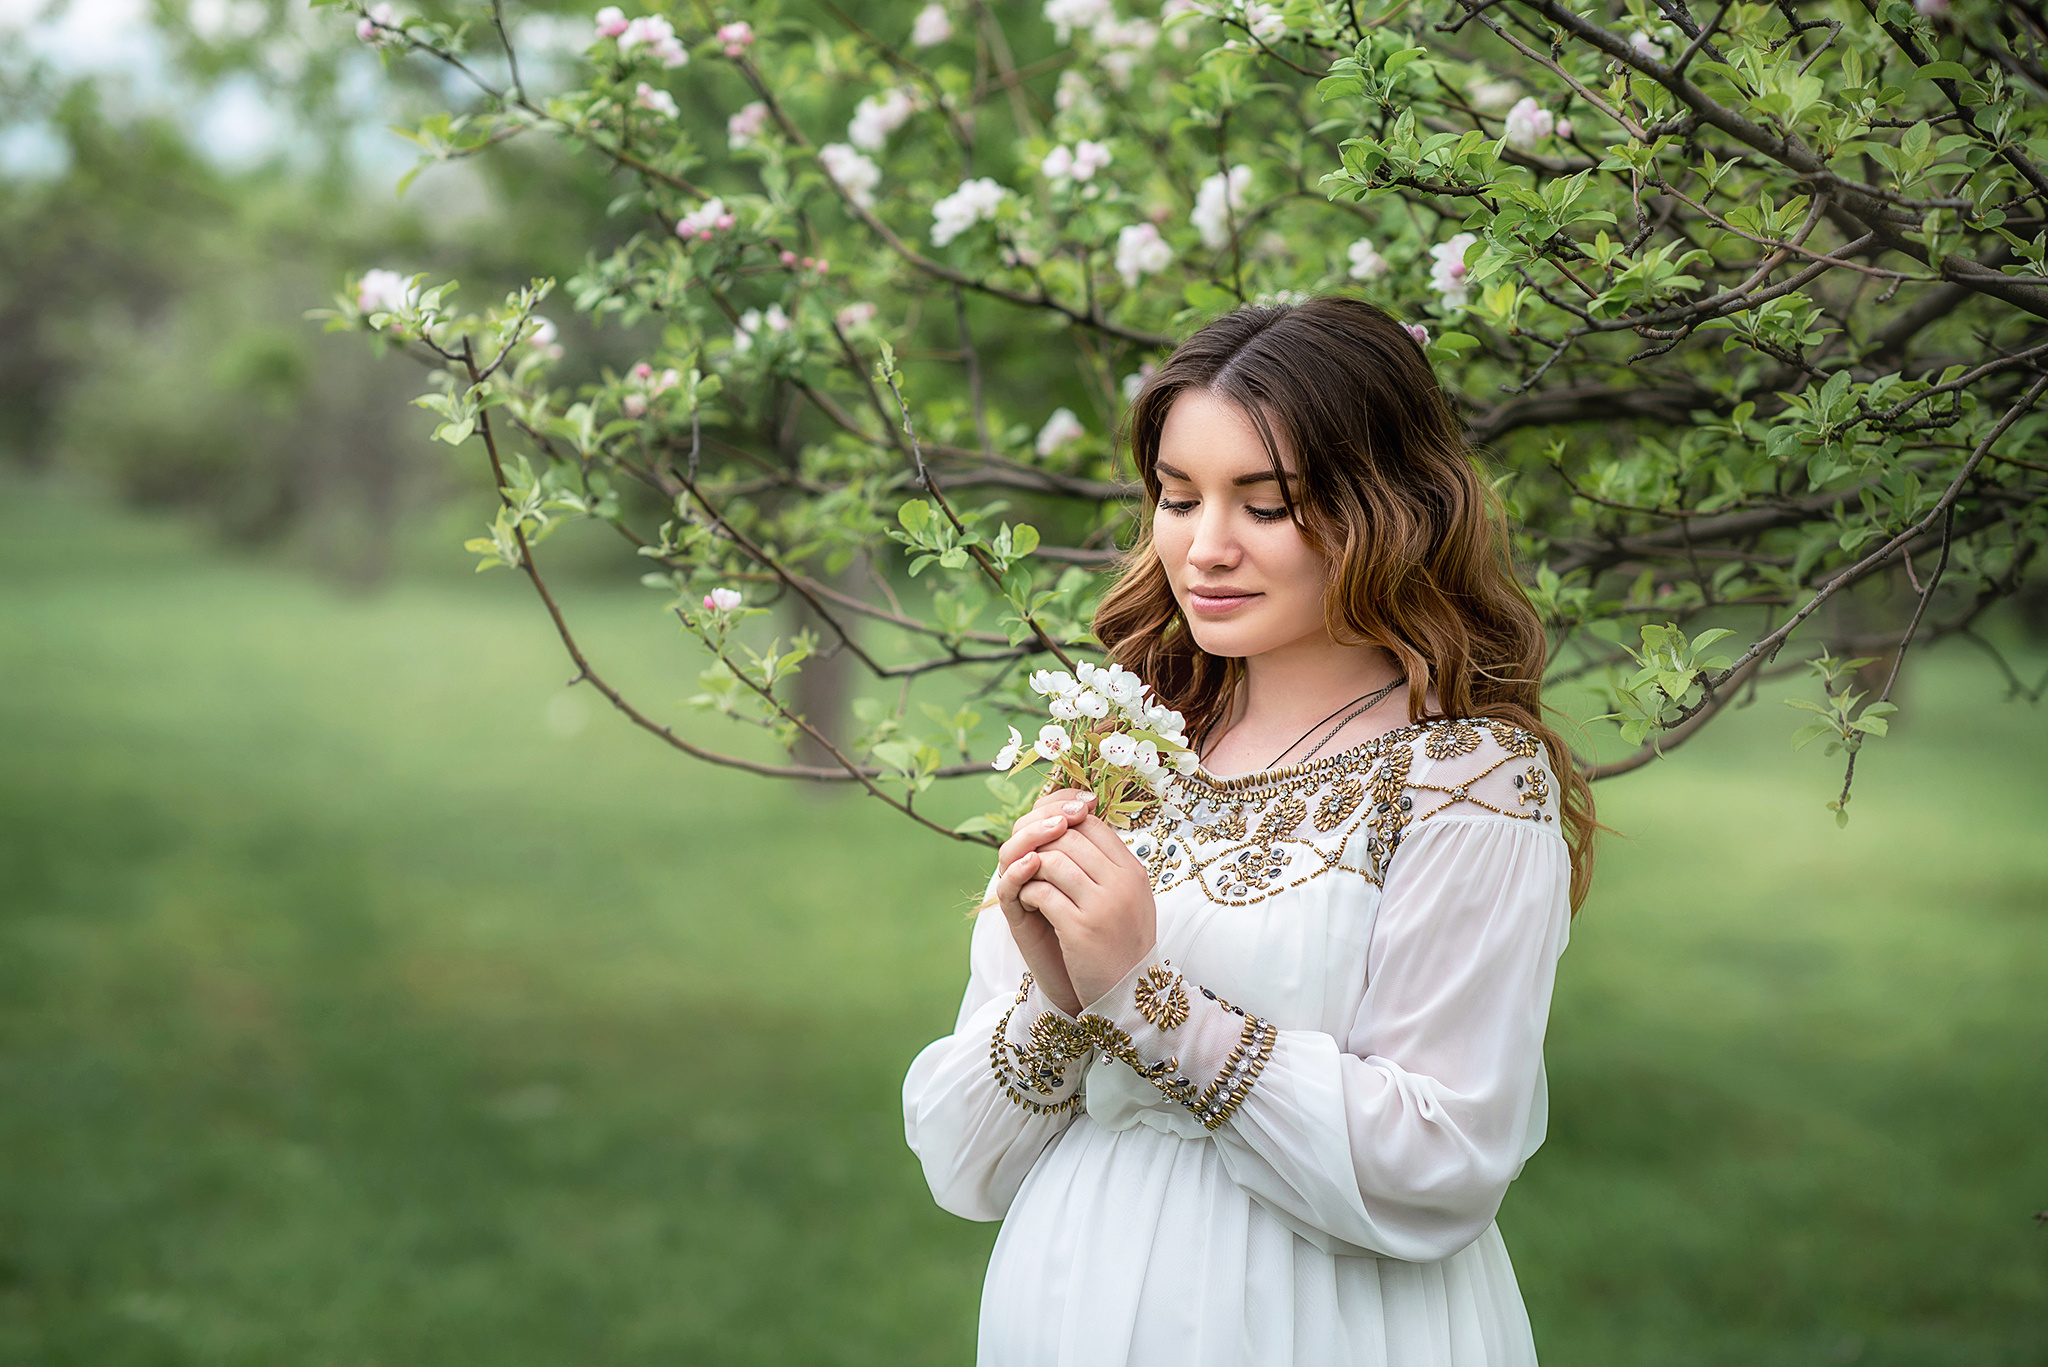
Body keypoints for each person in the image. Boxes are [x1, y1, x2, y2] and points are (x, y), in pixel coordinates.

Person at [903, 296, 1597, 1366]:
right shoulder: (1124, 749)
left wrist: (1145, 997)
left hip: (1324, 1316)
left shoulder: (1466, 781)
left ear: (1388, 510)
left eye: (1265, 506)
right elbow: (962, 1163)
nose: (1204, 547)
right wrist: (1055, 997)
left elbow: (1442, 1160)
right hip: (1069, 1295)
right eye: (1177, 497)